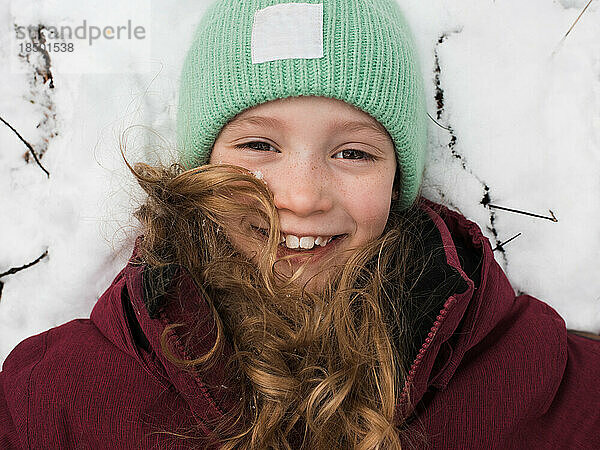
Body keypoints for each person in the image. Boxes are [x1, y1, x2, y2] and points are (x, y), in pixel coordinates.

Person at [1, 0, 599, 449]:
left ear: (399, 183)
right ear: (201, 169)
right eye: (260, 145)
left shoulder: (524, 374)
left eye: (353, 153)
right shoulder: (60, 398)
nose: (304, 196)